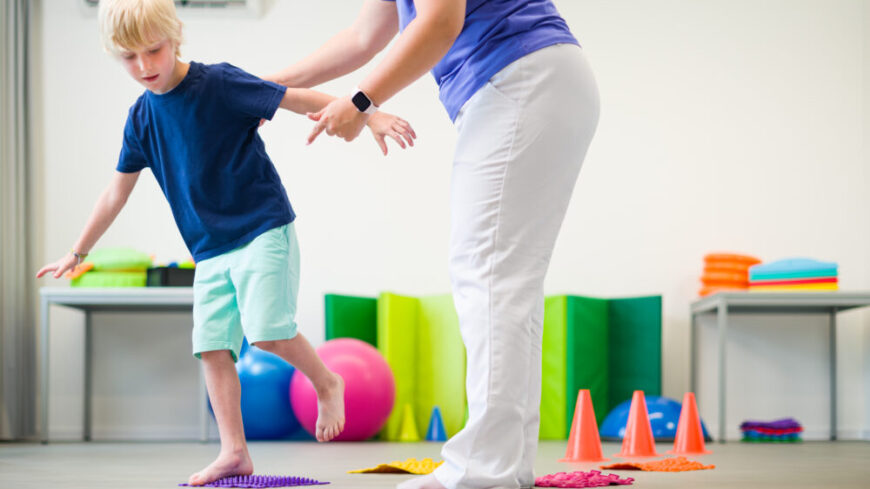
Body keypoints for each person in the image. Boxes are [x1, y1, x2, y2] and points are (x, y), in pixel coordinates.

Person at [35, 0, 414, 485]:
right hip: (209, 248)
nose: (145, 66)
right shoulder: (141, 119)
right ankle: (234, 452)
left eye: (155, 49)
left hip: (261, 227)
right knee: (212, 347)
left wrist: (369, 114)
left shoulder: (218, 83)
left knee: (267, 331)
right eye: (130, 57)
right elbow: (116, 192)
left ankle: (327, 380)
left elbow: (295, 99)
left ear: (175, 36)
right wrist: (78, 250)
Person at [267, 1, 600, 488]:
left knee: (489, 277)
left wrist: (361, 102)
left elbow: (442, 22)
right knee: (506, 285)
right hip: (532, 79)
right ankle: (505, 468)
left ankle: (484, 473)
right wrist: (262, 89)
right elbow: (362, 37)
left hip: (519, 78)